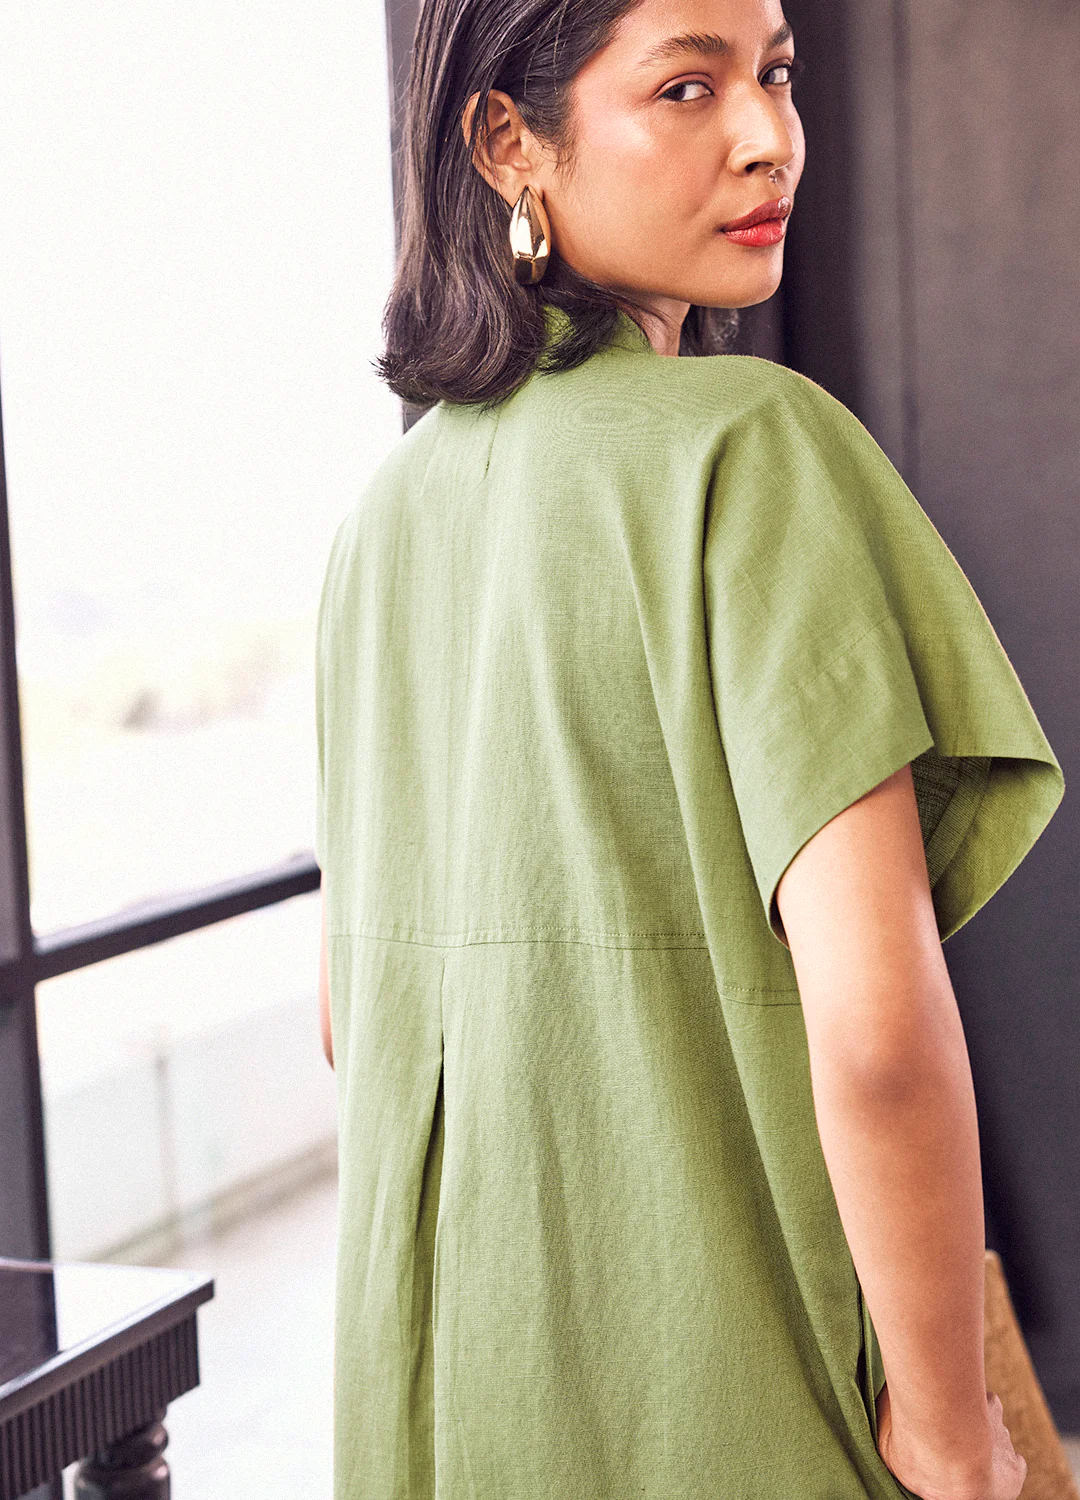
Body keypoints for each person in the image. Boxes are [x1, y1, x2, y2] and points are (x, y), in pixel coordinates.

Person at [314, 0, 1065, 1494]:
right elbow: (875, 1023)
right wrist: (948, 1423)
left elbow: (355, 1022)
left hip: (458, 1405)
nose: (768, 136)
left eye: (775, 73)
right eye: (685, 87)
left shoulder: (379, 526)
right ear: (509, 142)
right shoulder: (748, 448)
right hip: (733, 1399)